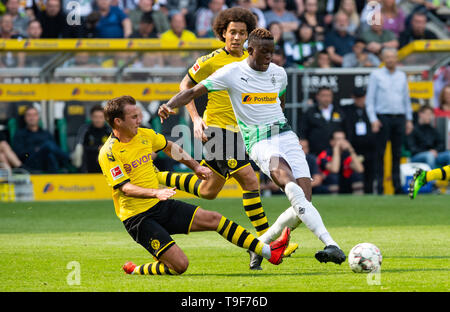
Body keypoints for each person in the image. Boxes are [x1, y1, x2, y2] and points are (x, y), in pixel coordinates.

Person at [159, 28, 346, 267]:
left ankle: (260, 245)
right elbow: (193, 91)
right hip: (258, 141)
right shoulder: (231, 72)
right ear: (250, 50)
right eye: (264, 52)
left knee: (304, 203)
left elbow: (280, 103)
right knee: (284, 181)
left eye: (272, 52)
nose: (269, 57)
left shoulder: (279, 74)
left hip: (286, 136)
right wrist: (169, 105)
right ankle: (331, 244)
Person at [156, 8, 297, 271]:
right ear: (223, 33)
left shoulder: (254, 60)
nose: (237, 37)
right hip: (217, 130)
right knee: (250, 180)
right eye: (232, 32)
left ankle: (157, 178)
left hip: (243, 132)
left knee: (208, 190)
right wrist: (196, 119)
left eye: (242, 33)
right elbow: (185, 86)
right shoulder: (210, 60)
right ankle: (269, 242)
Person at [98, 95, 290, 276]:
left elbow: (170, 147)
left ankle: (268, 252)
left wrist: (196, 166)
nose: (139, 120)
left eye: (138, 115)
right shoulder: (109, 153)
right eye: (134, 117)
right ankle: (136, 270)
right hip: (138, 218)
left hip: (161, 205)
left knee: (214, 219)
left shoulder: (144, 135)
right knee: (180, 266)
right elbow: (125, 188)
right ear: (118, 122)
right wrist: (155, 192)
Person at [365, 48, 414, 195]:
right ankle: (379, 187)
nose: (390, 60)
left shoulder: (401, 76)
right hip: (383, 117)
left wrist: (409, 119)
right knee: (380, 153)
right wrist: (373, 119)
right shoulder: (376, 75)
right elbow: (370, 100)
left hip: (399, 117)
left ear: (396, 59)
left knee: (397, 153)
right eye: (388, 57)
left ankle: (397, 186)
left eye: (393, 57)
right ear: (383, 59)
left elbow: (406, 99)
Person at [12, 106, 70, 173]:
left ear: (38, 117)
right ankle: (69, 159)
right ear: (25, 118)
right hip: (30, 161)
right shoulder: (20, 134)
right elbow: (19, 154)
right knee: (48, 145)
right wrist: (33, 151)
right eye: (29, 115)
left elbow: (55, 149)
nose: (32, 117)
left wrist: (42, 149)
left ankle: (55, 178)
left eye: (34, 115)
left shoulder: (45, 133)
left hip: (46, 160)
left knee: (50, 154)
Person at [342, 87, 376, 193]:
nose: (360, 100)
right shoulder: (347, 110)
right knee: (352, 171)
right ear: (353, 98)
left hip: (370, 147)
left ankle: (370, 192)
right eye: (358, 98)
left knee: (370, 172)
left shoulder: (371, 110)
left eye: (362, 98)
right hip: (354, 147)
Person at [300, 86, 345, 156]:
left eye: (329, 95)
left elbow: (346, 129)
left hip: (336, 153)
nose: (326, 98)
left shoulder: (339, 111)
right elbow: (302, 130)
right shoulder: (310, 112)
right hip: (315, 152)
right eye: (323, 95)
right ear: (317, 96)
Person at [317, 130, 365, 194]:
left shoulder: (347, 154)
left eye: (343, 139)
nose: (341, 141)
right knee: (333, 176)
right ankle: (333, 201)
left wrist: (351, 150)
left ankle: (359, 201)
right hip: (328, 184)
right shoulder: (325, 154)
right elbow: (335, 170)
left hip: (345, 182)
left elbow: (360, 169)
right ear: (332, 142)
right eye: (338, 139)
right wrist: (336, 150)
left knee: (357, 175)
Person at [407, 105, 449, 169]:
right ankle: (432, 179)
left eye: (431, 114)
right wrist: (428, 151)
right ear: (420, 114)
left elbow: (441, 143)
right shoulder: (413, 130)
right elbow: (412, 148)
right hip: (416, 156)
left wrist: (436, 150)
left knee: (449, 155)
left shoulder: (432, 129)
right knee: (429, 156)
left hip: (433, 154)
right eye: (427, 114)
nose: (429, 117)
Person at [81, 105, 111, 173]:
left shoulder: (109, 131)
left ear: (105, 118)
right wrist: (97, 148)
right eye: (95, 117)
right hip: (90, 164)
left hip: (106, 164)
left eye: (101, 117)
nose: (98, 120)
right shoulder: (86, 130)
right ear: (91, 117)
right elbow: (81, 147)